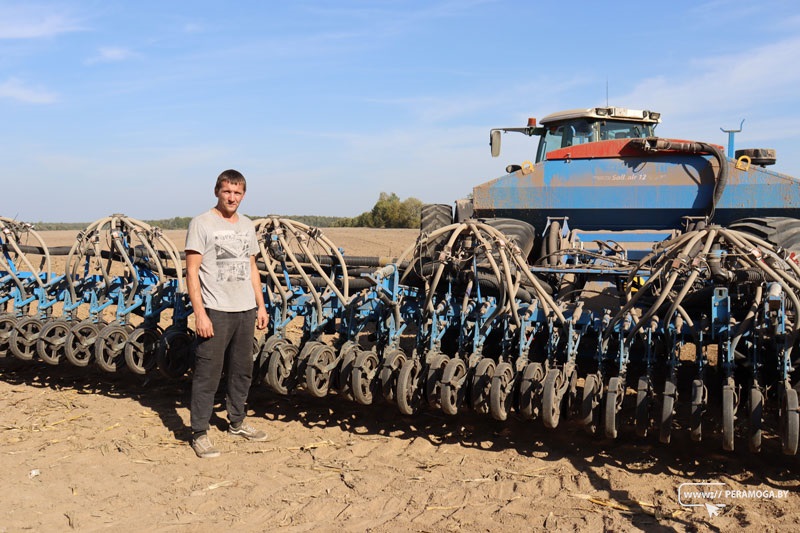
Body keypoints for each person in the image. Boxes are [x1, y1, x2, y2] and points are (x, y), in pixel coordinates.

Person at [185, 169, 269, 458]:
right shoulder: (202, 223)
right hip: (216, 310)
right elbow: (192, 271)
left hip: (245, 309)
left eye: (237, 193)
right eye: (227, 191)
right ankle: (199, 432)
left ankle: (236, 421)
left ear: (243, 195)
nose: (232, 197)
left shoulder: (246, 226)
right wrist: (200, 313)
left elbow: (251, 267)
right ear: (216, 192)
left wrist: (260, 304)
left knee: (241, 372)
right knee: (208, 373)